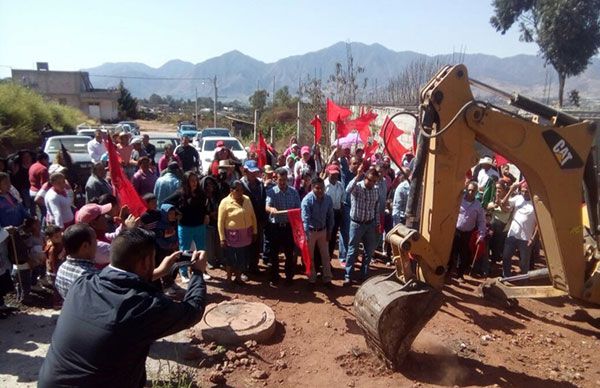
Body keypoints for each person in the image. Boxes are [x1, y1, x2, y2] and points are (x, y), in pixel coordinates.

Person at [38, 229, 208, 387]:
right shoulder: (143, 307)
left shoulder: (83, 283)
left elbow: (122, 283)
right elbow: (192, 310)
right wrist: (198, 273)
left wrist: (158, 271)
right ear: (145, 261)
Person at [165, 171, 209, 282]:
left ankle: (201, 271)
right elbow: (166, 203)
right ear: (186, 182)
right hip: (185, 226)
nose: (194, 183)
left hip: (199, 225)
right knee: (184, 251)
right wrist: (175, 213)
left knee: (201, 249)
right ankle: (183, 273)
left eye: (196, 180)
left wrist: (206, 215)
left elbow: (205, 206)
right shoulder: (180, 193)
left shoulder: (201, 193)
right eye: (191, 181)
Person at [343, 166, 380, 285]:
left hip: (369, 224)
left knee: (368, 251)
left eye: (374, 181)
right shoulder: (357, 187)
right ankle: (348, 275)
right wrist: (357, 176)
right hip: (356, 224)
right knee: (352, 251)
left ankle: (364, 275)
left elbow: (376, 208)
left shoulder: (375, 190)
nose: (371, 183)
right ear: (365, 177)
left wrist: (377, 223)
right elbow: (347, 190)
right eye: (369, 180)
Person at [265, 168, 301, 286]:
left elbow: (298, 208)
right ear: (276, 179)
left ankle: (289, 277)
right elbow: (267, 206)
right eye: (280, 180)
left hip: (288, 227)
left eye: (284, 180)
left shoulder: (294, 192)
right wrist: (271, 209)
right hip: (275, 227)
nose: (282, 182)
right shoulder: (271, 192)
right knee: (273, 253)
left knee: (289, 253)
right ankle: (274, 277)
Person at [218, 180, 257, 285]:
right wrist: (222, 238)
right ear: (231, 190)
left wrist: (255, 231)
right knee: (230, 258)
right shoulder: (225, 202)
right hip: (232, 236)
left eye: (242, 190)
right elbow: (220, 222)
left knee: (242, 257)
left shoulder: (247, 199)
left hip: (245, 235)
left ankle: (238, 278)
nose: (240, 192)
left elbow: (253, 216)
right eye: (237, 190)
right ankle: (229, 279)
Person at [301, 177, 334, 287]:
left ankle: (327, 278)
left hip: (323, 230)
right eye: (317, 188)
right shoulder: (307, 200)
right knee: (310, 256)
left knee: (325, 255)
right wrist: (306, 235)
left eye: (322, 188)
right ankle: (312, 278)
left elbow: (330, 216)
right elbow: (305, 219)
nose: (320, 190)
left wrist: (329, 231)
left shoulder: (328, 199)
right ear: (312, 187)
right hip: (310, 231)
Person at [501, 181, 537, 277]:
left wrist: (533, 238)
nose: (524, 193)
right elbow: (503, 203)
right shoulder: (518, 198)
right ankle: (506, 277)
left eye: (527, 191)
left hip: (526, 238)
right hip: (513, 234)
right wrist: (511, 190)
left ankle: (523, 280)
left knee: (524, 263)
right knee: (506, 257)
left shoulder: (536, 203)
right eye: (523, 191)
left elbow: (538, 224)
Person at [451, 181, 487, 280]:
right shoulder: (459, 200)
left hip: (468, 233)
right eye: (469, 190)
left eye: (473, 191)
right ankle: (448, 272)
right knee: (452, 252)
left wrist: (481, 235)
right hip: (455, 231)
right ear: (466, 189)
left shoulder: (478, 205)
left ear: (476, 192)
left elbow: (481, 221)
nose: (470, 192)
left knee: (464, 254)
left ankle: (460, 275)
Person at [54, 224, 100, 299]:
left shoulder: (62, 268)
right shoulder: (92, 277)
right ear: (85, 246)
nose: (97, 242)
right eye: (95, 239)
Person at [240, 160, 267, 274]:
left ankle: (254, 266)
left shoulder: (260, 184)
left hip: (258, 219)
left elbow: (264, 199)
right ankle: (244, 269)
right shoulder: (240, 185)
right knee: (245, 244)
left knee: (256, 243)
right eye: (251, 172)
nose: (254, 174)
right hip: (245, 220)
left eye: (255, 171)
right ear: (245, 171)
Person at [339, 156, 360, 265]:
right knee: (345, 232)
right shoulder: (346, 174)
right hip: (346, 206)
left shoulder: (361, 176)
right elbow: (343, 166)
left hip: (356, 208)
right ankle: (343, 256)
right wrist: (340, 155)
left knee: (354, 234)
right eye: (354, 163)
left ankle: (352, 256)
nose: (356, 165)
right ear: (350, 164)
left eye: (358, 163)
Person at [324, 164, 344, 258]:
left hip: (336, 214)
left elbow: (342, 199)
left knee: (332, 238)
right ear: (328, 173)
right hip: (325, 215)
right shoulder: (324, 185)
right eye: (332, 174)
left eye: (336, 174)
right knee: (324, 238)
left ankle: (329, 259)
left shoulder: (340, 185)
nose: (334, 176)